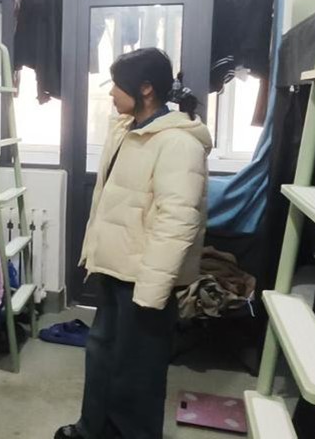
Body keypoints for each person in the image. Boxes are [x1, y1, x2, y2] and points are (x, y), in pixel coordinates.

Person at [56, 48, 212, 439]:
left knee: (137, 374)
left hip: (144, 279)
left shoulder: (178, 144)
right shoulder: (129, 130)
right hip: (115, 268)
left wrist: (152, 290)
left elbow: (178, 222)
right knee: (102, 357)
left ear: (145, 89)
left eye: (117, 85)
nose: (110, 92)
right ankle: (92, 429)